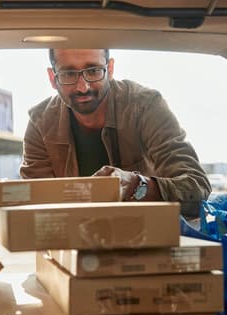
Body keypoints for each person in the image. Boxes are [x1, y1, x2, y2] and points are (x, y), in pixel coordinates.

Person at [20, 49, 210, 217]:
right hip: (72, 242)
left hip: (147, 235)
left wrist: (137, 185)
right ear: (52, 78)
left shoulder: (144, 106)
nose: (82, 87)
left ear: (110, 69)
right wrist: (0, 196)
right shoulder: (40, 122)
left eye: (93, 71)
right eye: (69, 73)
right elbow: (36, 201)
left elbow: (196, 189)